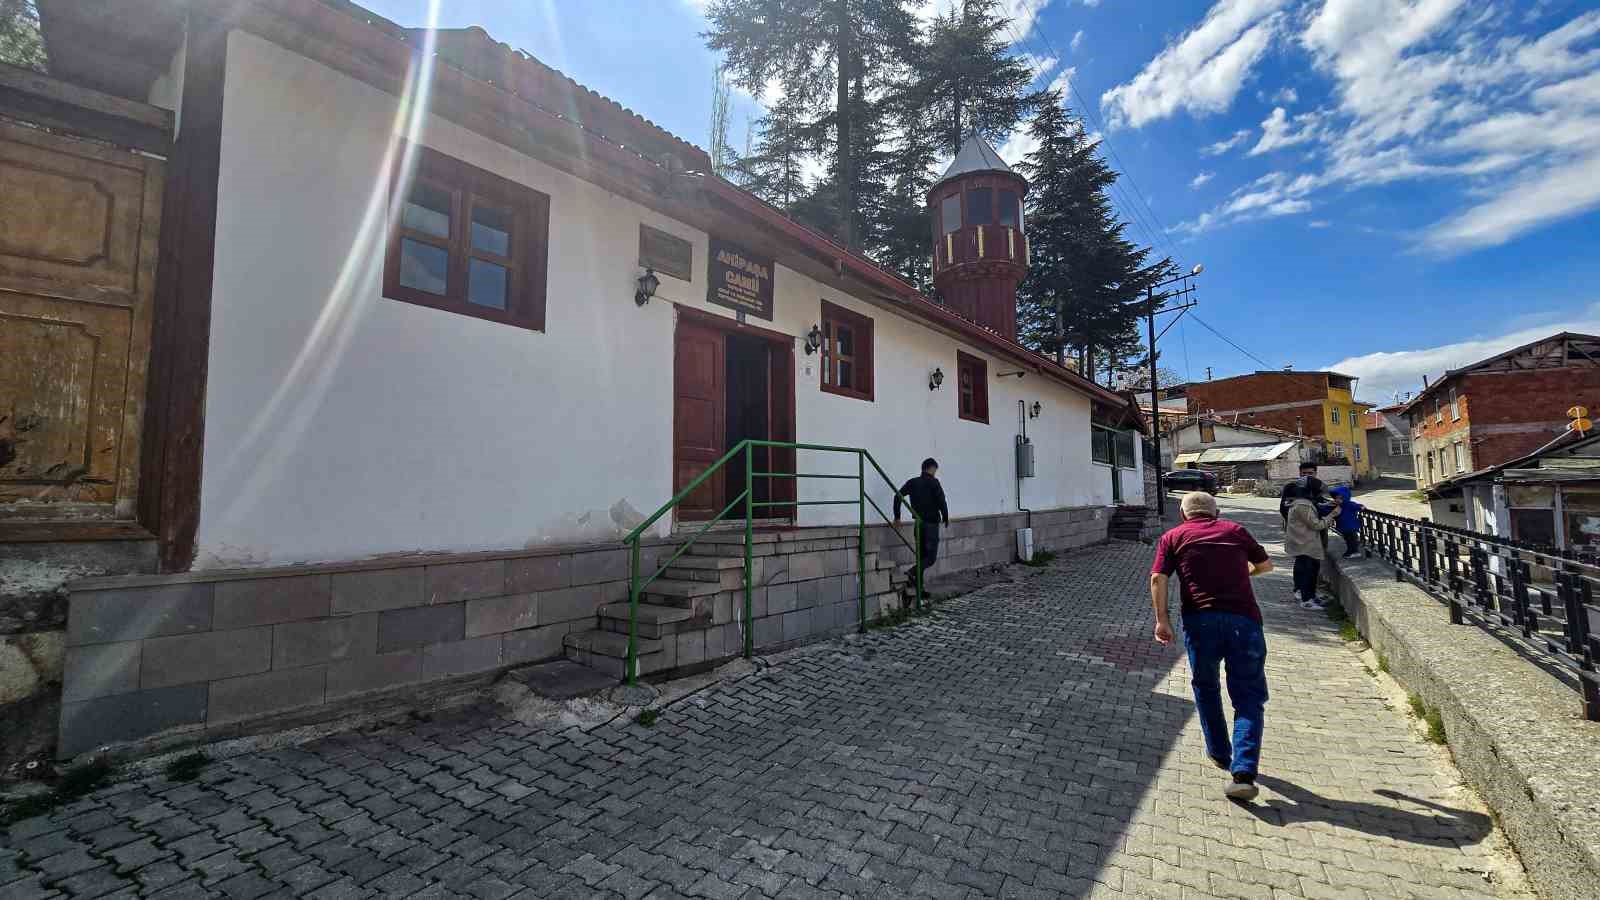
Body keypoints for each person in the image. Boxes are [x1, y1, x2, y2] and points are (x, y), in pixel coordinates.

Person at [1150, 491, 1276, 801]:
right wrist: (1244, 571)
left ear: (1183, 514)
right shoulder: (1235, 531)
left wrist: (1162, 620)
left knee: (1206, 686)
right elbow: (1267, 566)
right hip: (1244, 621)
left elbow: (1158, 578)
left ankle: (1220, 751)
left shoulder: (1173, 536)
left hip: (1200, 622)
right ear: (1215, 512)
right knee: (1248, 696)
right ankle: (1244, 772)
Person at [894, 457, 949, 602]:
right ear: (931, 468)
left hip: (918, 525)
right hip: (931, 525)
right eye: (935, 470)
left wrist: (897, 517)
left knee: (921, 558)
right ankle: (911, 573)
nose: (935, 473)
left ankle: (920, 589)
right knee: (929, 559)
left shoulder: (913, 482)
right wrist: (946, 517)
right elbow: (941, 500)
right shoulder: (933, 482)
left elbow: (897, 496)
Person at [1285, 483, 1342, 609]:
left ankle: (1311, 597)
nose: (1320, 495)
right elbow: (1316, 525)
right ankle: (1307, 601)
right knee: (1308, 572)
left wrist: (1325, 505)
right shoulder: (1303, 505)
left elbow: (1312, 511)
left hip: (1303, 543)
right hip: (1304, 544)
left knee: (1311, 570)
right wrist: (1332, 515)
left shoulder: (1302, 503)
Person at [1329, 485, 1363, 558]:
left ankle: (1354, 551)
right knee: (1348, 540)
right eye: (1336, 498)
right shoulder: (1337, 505)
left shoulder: (1349, 504)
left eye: (1340, 498)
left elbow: (1358, 506)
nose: (1337, 500)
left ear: (1345, 497)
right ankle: (1351, 551)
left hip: (1351, 526)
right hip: (1344, 527)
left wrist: (1361, 507)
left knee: (1352, 540)